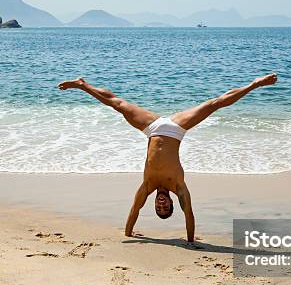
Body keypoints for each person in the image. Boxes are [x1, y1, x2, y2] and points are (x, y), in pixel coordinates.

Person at [58, 73, 278, 242]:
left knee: (118, 104)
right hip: (176, 129)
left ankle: (82, 85)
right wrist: (190, 240)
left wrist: (129, 234)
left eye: (158, 208)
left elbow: (134, 210)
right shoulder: (179, 187)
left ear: (154, 204)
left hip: (152, 129)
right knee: (214, 104)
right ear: (172, 203)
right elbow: (189, 214)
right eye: (166, 208)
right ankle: (255, 84)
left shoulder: (147, 186)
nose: (162, 205)